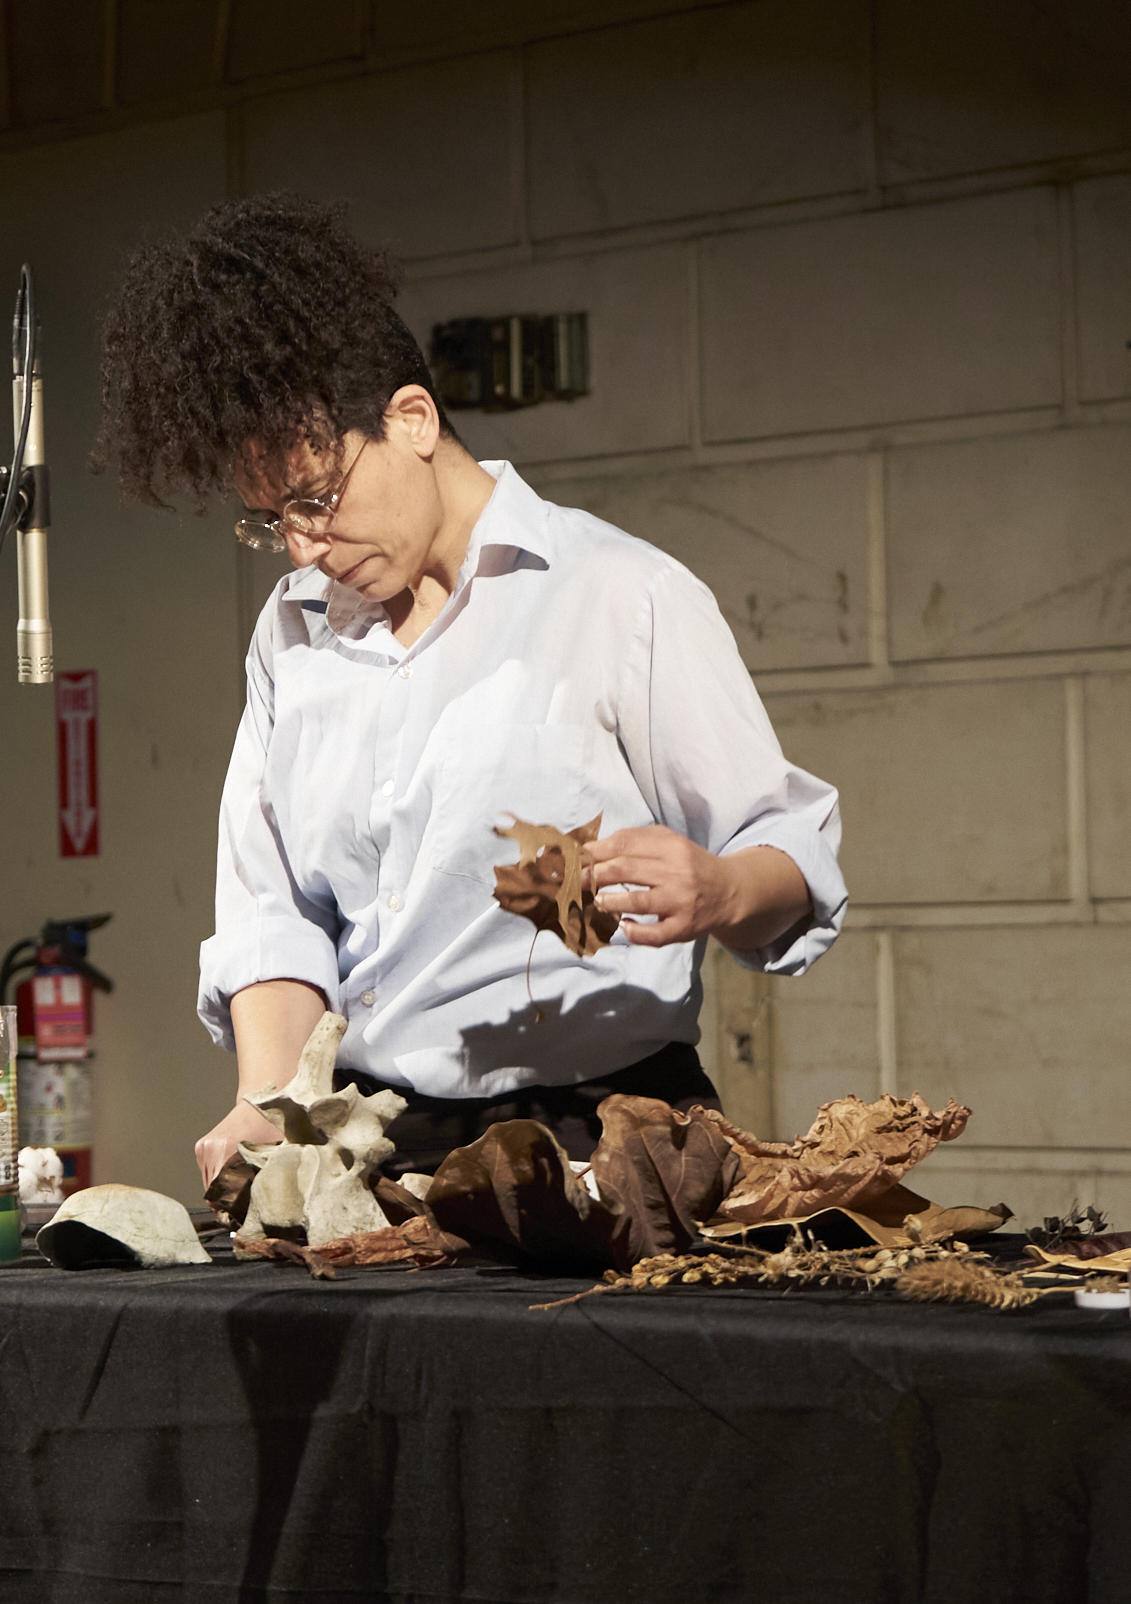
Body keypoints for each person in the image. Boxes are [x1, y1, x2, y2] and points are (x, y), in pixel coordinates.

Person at [95, 194, 847, 1187]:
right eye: (269, 517)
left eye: (315, 499)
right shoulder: (294, 635)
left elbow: (790, 853)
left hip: (599, 1138)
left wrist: (722, 886)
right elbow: (273, 910)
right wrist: (264, 1101)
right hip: (376, 1149)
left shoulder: (616, 593)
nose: (301, 544)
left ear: (410, 418)